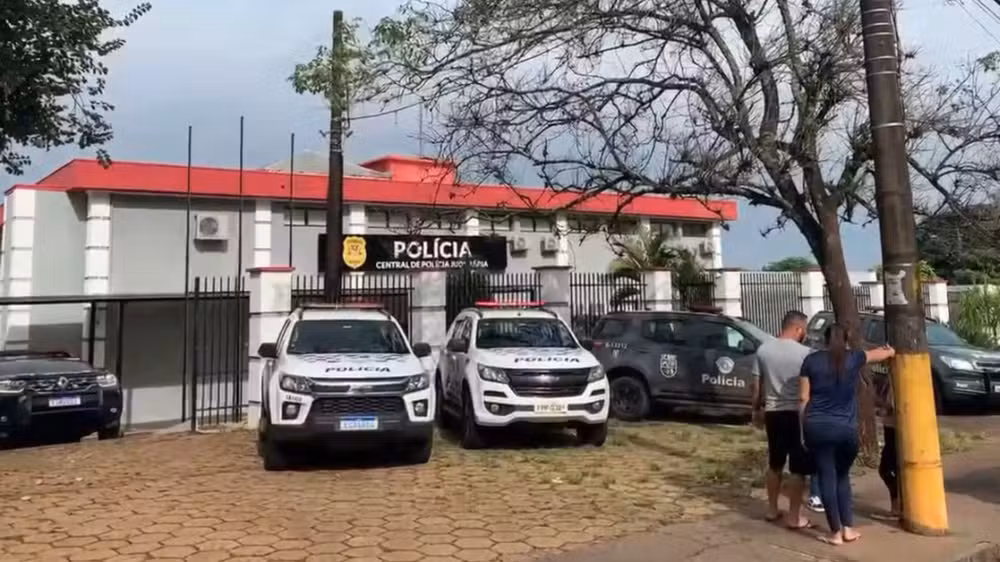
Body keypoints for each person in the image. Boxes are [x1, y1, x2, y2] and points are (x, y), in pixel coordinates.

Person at [799, 323, 895, 545]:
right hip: (846, 429)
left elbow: (803, 398)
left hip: (818, 426)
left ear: (824, 340)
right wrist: (891, 350)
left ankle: (834, 533)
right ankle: (848, 529)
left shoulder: (811, 361)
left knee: (826, 477)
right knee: (843, 477)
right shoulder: (854, 358)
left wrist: (803, 429)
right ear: (846, 340)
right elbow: (878, 354)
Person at [751, 310, 814, 530]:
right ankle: (794, 516)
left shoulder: (763, 350)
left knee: (775, 462)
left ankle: (771, 509)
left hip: (773, 412)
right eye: (804, 330)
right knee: (798, 467)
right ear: (798, 329)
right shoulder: (807, 353)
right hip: (797, 413)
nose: (805, 334)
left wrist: (755, 409)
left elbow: (756, 386)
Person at [871, 368, 901, 521]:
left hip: (894, 427)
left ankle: (897, 507)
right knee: (893, 468)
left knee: (887, 469)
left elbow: (891, 404)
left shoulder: (897, 375)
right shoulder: (893, 375)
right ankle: (897, 506)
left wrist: (881, 405)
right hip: (893, 427)